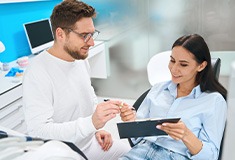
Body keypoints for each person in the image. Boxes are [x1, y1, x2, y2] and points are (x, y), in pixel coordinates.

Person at [22, 0, 130, 159]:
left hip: (89, 143)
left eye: (92, 34)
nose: (91, 43)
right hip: (62, 152)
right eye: (84, 35)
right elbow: (39, 133)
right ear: (60, 34)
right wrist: (91, 124)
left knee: (134, 154)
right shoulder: (37, 72)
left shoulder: (80, 59)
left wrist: (96, 129)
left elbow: (89, 95)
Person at [119, 34, 227, 160]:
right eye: (172, 61)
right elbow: (136, 139)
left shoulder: (214, 101)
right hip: (141, 151)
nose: (174, 69)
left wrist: (186, 135)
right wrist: (130, 121)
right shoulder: (158, 89)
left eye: (183, 64)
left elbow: (211, 156)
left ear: (201, 66)